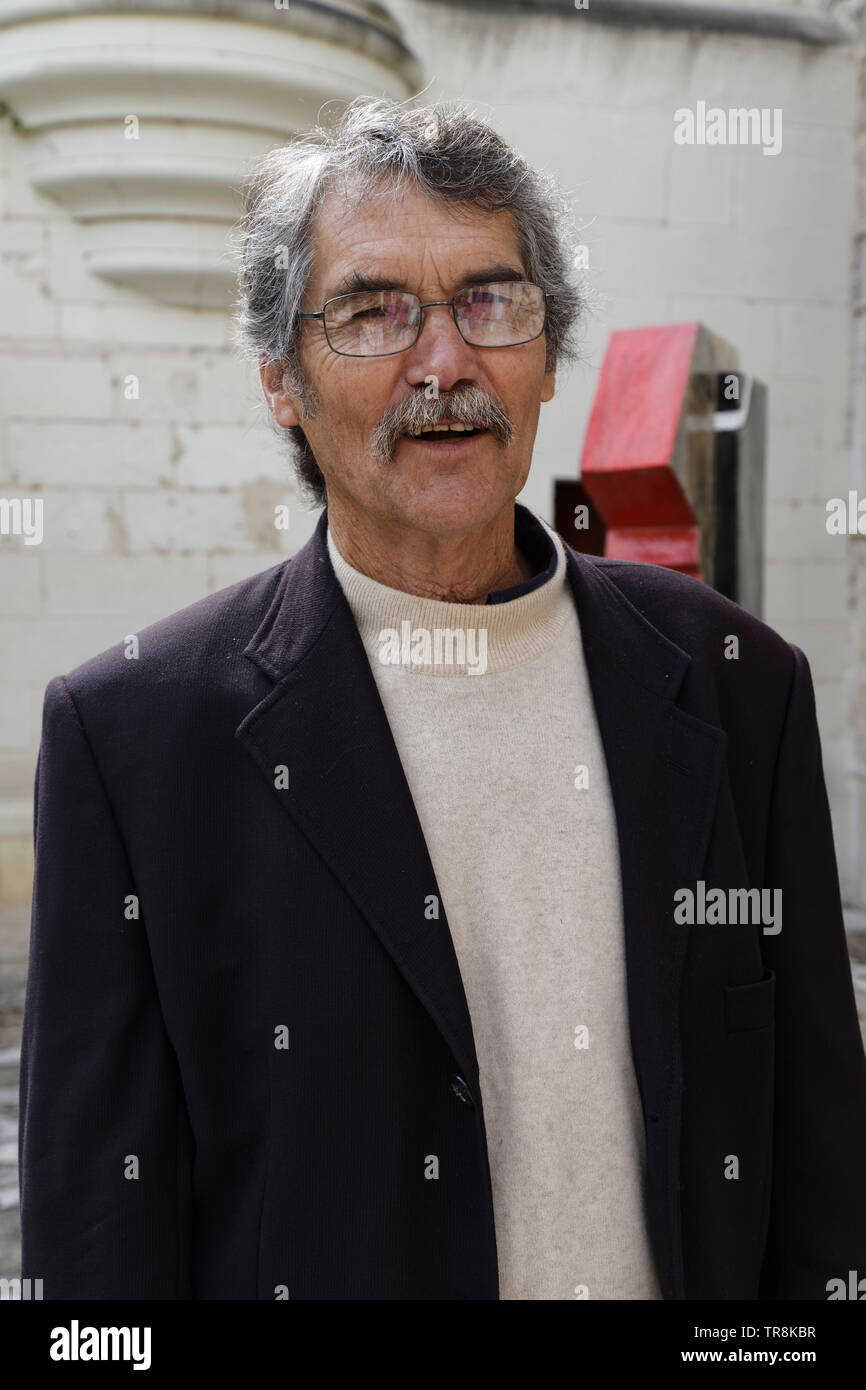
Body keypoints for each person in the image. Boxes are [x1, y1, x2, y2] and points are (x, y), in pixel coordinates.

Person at [19, 97, 866, 1300]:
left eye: (489, 301)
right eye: (372, 310)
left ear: (547, 351)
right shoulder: (136, 737)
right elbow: (100, 1240)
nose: (445, 362)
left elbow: (819, 1167)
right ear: (280, 380)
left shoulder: (739, 690)